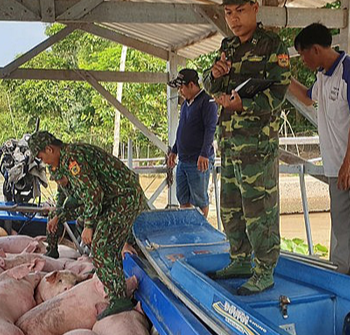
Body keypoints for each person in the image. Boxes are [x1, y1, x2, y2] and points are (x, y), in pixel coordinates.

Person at [202, 0, 290, 295]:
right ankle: (239, 258)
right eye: (228, 12)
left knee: (260, 209)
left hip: (258, 145)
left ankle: (264, 269)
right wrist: (213, 76)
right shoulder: (228, 47)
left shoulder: (272, 46)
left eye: (240, 10)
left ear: (255, 8)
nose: (234, 18)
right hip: (230, 142)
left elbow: (279, 93)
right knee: (231, 207)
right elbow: (210, 88)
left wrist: (245, 104)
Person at [289, 23, 350, 281]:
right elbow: (309, 98)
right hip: (336, 165)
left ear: (317, 49)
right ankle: (341, 276)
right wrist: (284, 77)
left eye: (303, 54)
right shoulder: (323, 75)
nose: (303, 60)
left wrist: (349, 162)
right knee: (341, 225)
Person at [28, 131, 148, 318]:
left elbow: (93, 194)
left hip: (123, 198)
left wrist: (89, 225)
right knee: (103, 245)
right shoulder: (68, 158)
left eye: (41, 156)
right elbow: (82, 197)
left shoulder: (72, 159)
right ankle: (110, 280)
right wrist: (60, 215)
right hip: (114, 199)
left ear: (49, 149)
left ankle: (119, 298)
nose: (42, 161)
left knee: (102, 245)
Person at [166, 68, 218, 216]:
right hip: (183, 159)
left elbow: (210, 129)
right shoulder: (185, 105)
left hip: (198, 160)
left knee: (200, 201)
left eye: (181, 87)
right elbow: (181, 130)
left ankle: (200, 233)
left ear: (191, 85)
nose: (180, 91)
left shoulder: (208, 102)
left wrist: (204, 154)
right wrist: (174, 150)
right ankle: (187, 230)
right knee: (183, 198)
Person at [45, 174, 81, 259]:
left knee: (57, 216)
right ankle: (52, 249)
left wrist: (57, 216)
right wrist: (56, 211)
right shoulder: (62, 184)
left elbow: (72, 202)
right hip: (72, 209)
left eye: (60, 179)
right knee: (52, 214)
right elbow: (61, 198)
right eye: (56, 181)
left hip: (83, 209)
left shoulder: (77, 182)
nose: (59, 182)